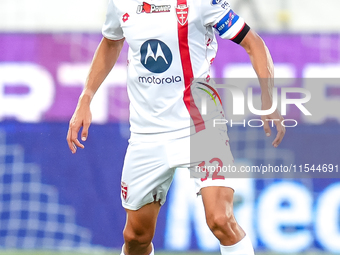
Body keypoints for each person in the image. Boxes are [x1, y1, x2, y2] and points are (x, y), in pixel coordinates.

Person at [66, 0, 285, 255]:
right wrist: (86, 97)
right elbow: (112, 41)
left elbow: (253, 42)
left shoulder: (202, 3)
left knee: (220, 220)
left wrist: (268, 97)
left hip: (201, 125)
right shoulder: (121, 3)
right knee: (136, 236)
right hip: (147, 131)